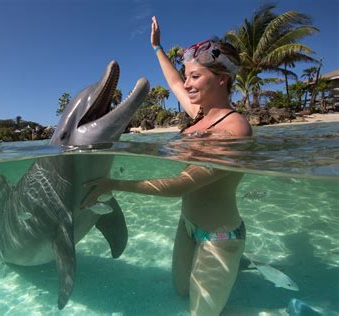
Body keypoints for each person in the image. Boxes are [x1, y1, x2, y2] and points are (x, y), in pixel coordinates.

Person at [82, 16, 252, 315]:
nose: (186, 83)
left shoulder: (235, 128)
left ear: (221, 78)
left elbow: (179, 186)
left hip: (219, 236)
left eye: (195, 77)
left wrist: (112, 184)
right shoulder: (200, 113)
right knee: (180, 291)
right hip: (187, 226)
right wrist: (157, 47)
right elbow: (173, 81)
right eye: (187, 76)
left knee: (201, 313)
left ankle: (232, 264)